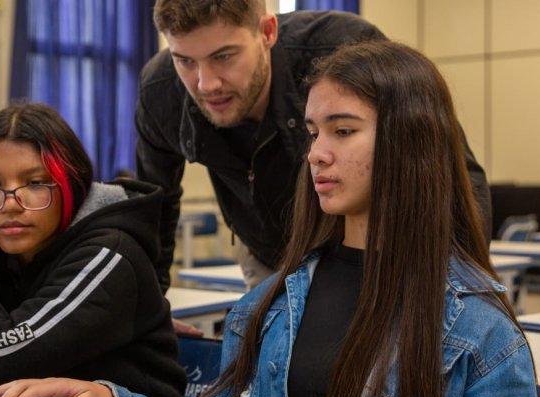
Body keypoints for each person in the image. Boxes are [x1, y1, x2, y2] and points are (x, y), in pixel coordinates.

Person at [208, 41, 537, 397]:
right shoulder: (263, 309)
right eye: (313, 133)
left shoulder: (482, 335)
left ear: (409, 141)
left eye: (343, 131)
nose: (316, 154)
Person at [135, 0, 492, 292]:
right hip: (265, 254)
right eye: (184, 60)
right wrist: (151, 311)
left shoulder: (344, 49)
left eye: (224, 56)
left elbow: (452, 174)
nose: (206, 83)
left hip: (373, 254)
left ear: (267, 32)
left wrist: (461, 292)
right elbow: (153, 206)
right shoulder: (161, 90)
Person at [0, 103, 185, 397]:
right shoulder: (7, 248)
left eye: (35, 183)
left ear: (71, 185)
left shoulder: (109, 255)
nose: (11, 203)